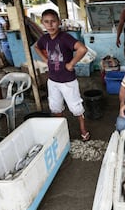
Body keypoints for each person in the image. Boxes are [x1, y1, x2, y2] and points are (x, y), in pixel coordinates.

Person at [34, 9, 90, 141]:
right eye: (46, 22)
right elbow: (36, 47)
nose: (50, 25)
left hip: (67, 81)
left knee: (75, 106)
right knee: (55, 107)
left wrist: (71, 64)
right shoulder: (45, 38)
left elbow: (83, 49)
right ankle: (61, 130)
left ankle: (83, 129)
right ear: (42, 23)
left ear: (58, 22)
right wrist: (45, 59)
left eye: (53, 21)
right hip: (53, 80)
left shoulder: (65, 38)